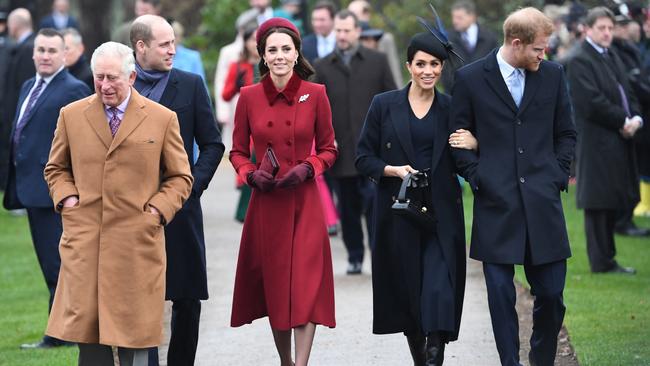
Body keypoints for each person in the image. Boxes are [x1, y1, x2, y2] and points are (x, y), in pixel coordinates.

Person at [43, 41, 193, 366]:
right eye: (99, 78)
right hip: (86, 244)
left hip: (136, 244)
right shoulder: (71, 116)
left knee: (135, 342)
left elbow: (181, 177)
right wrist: (67, 198)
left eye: (112, 78)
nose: (105, 86)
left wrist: (156, 211)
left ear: (132, 77)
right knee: (90, 342)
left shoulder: (162, 118)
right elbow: (56, 168)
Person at [450, 7, 576, 366]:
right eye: (539, 48)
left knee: (552, 294)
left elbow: (566, 133)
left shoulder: (552, 75)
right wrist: (480, 178)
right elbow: (457, 139)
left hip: (543, 202)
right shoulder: (471, 79)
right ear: (516, 43)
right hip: (495, 203)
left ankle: (541, 359)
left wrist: (556, 176)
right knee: (501, 296)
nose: (544, 54)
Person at [356, 30, 471, 365]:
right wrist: (394, 170)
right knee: (408, 292)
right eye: (421, 63)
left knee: (438, 288)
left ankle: (435, 356)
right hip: (399, 211)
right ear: (408, 66)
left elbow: (466, 153)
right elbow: (363, 157)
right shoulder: (383, 105)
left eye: (435, 64)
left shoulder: (452, 108)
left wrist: (474, 144)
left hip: (441, 213)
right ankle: (421, 358)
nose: (428, 70)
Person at [229, 17, 337, 366]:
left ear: (296, 53)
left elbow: (329, 148)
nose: (279, 56)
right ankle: (286, 361)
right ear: (262, 55)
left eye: (285, 49)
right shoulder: (248, 96)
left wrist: (309, 167)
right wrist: (250, 175)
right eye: (271, 50)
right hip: (268, 202)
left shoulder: (316, 94)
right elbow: (238, 152)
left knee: (305, 287)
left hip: (304, 201)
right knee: (277, 288)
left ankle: (300, 365)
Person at [129, 15, 224, 366]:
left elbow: (213, 144)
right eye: (164, 44)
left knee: (185, 297)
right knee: (140, 295)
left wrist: (191, 188)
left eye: (173, 42)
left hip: (181, 210)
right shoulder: (121, 85)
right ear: (141, 47)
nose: (173, 49)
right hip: (132, 210)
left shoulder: (190, 84)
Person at [2, 28, 90, 349]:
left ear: (66, 54)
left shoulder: (74, 89)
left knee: (58, 264)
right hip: (30, 188)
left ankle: (60, 334)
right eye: (40, 50)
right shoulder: (29, 85)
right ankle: (60, 330)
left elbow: (84, 142)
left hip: (56, 192)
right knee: (48, 263)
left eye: (52, 51)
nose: (45, 56)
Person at [313, 9, 396, 274]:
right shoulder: (322, 66)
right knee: (347, 209)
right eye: (338, 30)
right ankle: (355, 256)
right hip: (340, 152)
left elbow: (393, 103)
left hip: (373, 152)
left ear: (358, 31)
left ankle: (379, 253)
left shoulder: (377, 61)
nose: (342, 35)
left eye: (347, 30)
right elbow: (316, 109)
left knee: (375, 205)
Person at [567, 7, 642, 275]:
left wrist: (636, 118)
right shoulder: (579, 59)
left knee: (612, 198)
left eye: (610, 28)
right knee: (597, 203)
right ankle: (601, 262)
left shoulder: (609, 54)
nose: (607, 33)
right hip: (597, 141)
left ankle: (609, 259)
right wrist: (624, 121)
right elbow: (591, 103)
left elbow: (627, 91)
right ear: (587, 29)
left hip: (617, 138)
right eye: (602, 28)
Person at [1, 8, 35, 189]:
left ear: (13, 26)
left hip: (18, 114)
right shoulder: (26, 46)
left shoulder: (28, 49)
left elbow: (25, 87)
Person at [440, 0, 499, 91]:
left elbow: (495, 66)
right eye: (454, 17)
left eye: (459, 18)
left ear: (472, 17)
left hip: (485, 94)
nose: (455, 21)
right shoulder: (447, 39)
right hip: (455, 94)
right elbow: (444, 67)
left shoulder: (490, 38)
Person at [348, 0, 403, 86]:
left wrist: (400, 95)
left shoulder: (385, 39)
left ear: (366, 14)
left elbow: (394, 71)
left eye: (353, 14)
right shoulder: (347, 40)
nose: (350, 18)